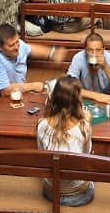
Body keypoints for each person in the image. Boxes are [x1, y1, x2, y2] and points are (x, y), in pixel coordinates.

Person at [0, 24, 110, 104]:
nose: (17, 46)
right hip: (0, 100)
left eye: (17, 41)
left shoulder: (19, 45)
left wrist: (52, 53)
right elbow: (5, 91)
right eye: (12, 45)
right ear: (0, 47)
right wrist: (33, 86)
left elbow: (30, 48)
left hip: (20, 93)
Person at [36, 75, 95, 205]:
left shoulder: (41, 125)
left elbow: (41, 153)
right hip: (78, 196)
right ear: (77, 102)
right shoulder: (83, 128)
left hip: (50, 193)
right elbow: (86, 155)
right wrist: (86, 121)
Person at [67, 32, 110, 100]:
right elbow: (69, 87)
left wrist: (106, 66)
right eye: (90, 50)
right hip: (86, 98)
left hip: (108, 99)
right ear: (85, 50)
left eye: (98, 50)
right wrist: (97, 96)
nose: (94, 54)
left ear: (103, 49)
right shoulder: (78, 58)